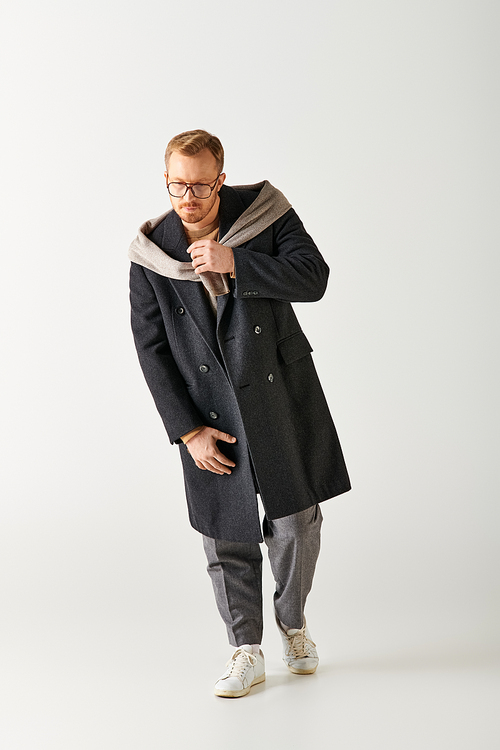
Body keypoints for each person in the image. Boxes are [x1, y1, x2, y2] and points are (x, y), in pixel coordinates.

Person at [129, 129, 350, 698]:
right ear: (166, 179)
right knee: (225, 535)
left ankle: (293, 623)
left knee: (297, 523)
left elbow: (315, 278)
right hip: (208, 413)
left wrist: (237, 262)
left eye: (200, 185)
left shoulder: (267, 216)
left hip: (279, 395)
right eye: (177, 184)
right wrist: (186, 431)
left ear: (221, 180)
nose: (188, 197)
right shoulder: (151, 253)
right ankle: (244, 648)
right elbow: (150, 348)